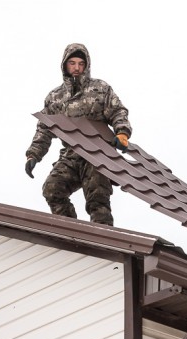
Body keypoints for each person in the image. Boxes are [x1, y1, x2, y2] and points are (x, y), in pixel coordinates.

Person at [25, 43, 132, 226]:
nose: (76, 68)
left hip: (98, 153)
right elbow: (44, 128)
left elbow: (117, 112)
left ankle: (103, 238)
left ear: (87, 65)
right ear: (65, 65)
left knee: (97, 199)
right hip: (71, 154)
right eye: (72, 63)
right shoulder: (55, 97)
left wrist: (122, 133)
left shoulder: (100, 88)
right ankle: (71, 230)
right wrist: (33, 154)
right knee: (52, 189)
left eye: (81, 64)